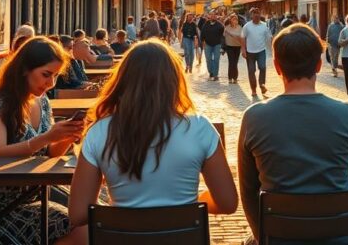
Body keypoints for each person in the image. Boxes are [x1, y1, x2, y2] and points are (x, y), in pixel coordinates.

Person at [66, 41, 238, 244]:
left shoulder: (99, 132)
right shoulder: (200, 128)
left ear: (123, 81)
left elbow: (77, 214)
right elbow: (227, 203)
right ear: (174, 80)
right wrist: (194, 203)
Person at [238, 25, 348, 245]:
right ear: (318, 65)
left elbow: (248, 194)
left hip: (280, 236)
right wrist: (346, 166)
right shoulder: (347, 113)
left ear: (277, 67)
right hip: (340, 236)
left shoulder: (254, 118)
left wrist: (262, 237)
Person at [0, 37, 85, 245]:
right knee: (80, 228)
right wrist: (46, 137)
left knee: (94, 215)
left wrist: (67, 137)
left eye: (55, 76)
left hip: (33, 193)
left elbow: (50, 152)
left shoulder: (42, 101)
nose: (51, 83)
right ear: (24, 70)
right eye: (46, 75)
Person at [241, 8, 273, 100]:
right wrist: (243, 49)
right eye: (254, 14)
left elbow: (269, 37)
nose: (256, 15)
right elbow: (243, 37)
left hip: (261, 51)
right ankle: (253, 90)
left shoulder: (264, 26)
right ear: (251, 16)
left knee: (262, 67)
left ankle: (262, 85)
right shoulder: (247, 26)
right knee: (251, 71)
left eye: (258, 13)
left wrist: (273, 48)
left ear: (260, 15)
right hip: (250, 52)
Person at [199, 12, 226, 82]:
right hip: (207, 44)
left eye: (214, 15)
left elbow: (223, 36)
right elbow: (202, 33)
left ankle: (215, 74)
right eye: (211, 15)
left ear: (216, 16)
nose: (213, 16)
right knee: (208, 59)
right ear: (209, 16)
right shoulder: (206, 24)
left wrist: (223, 46)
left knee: (216, 59)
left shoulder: (220, 25)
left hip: (217, 44)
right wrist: (202, 42)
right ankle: (211, 72)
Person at [223, 15, 243, 84]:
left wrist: (231, 34)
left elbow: (240, 36)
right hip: (229, 46)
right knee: (231, 62)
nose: (235, 20)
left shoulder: (240, 27)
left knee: (235, 63)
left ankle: (235, 78)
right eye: (234, 19)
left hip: (237, 46)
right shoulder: (227, 28)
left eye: (236, 19)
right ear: (230, 20)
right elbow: (224, 36)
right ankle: (230, 78)